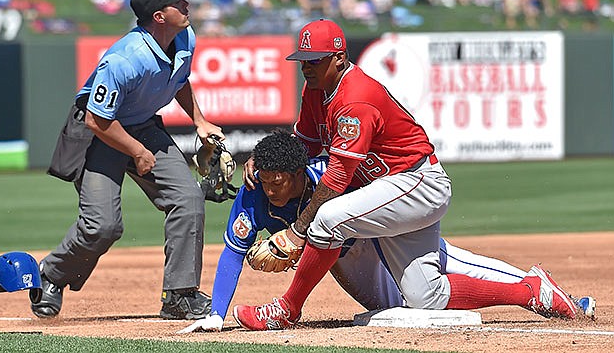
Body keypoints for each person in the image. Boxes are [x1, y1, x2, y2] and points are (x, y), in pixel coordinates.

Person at [232, 19, 586, 331]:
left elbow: (338, 177)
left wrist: (296, 234)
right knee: (426, 295)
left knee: (326, 220)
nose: (306, 68)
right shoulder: (316, 91)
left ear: (339, 58)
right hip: (390, 188)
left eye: (315, 60)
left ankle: (287, 309)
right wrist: (265, 161)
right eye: (303, 61)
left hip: (416, 182)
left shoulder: (355, 99)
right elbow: (304, 147)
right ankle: (531, 291)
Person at [179, 131, 595, 332]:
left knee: (452, 267)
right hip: (352, 270)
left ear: (298, 174)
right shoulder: (253, 197)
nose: (270, 187)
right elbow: (233, 253)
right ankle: (536, 290)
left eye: (278, 180)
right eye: (265, 177)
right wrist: (216, 314)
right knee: (416, 305)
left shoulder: (330, 177)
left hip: (388, 243)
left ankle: (545, 293)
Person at [31, 0, 223, 320]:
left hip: (142, 125)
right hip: (100, 133)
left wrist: (200, 121)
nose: (186, 4)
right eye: (177, 2)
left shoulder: (185, 37)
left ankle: (179, 295)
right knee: (103, 226)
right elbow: (97, 120)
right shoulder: (124, 59)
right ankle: (51, 274)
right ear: (159, 17)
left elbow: (179, 81)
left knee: (188, 198)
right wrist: (136, 150)